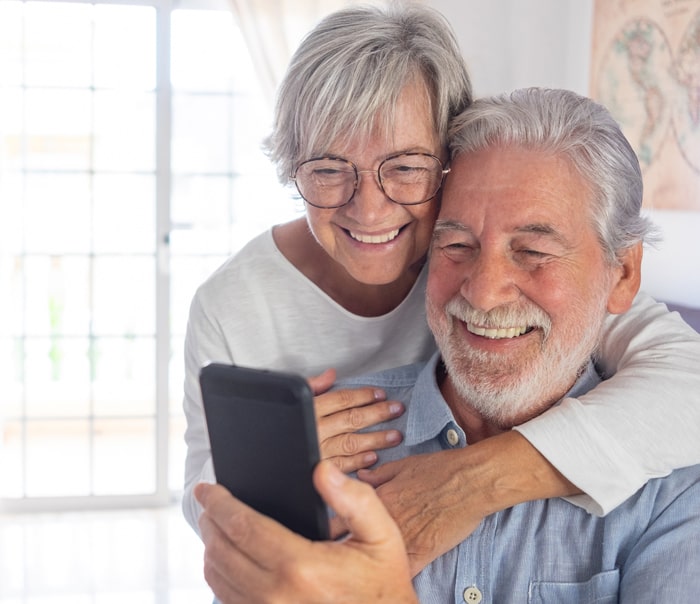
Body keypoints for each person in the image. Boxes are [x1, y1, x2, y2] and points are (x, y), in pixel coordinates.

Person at [183, 3, 700, 574]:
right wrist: (273, 468)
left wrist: (474, 481)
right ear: (291, 170)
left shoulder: (479, 255)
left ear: (450, 165)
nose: (371, 210)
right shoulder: (232, 305)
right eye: (328, 170)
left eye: (405, 167)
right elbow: (204, 498)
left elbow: (687, 387)